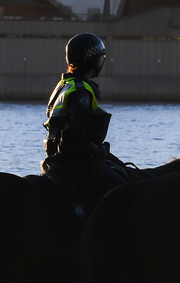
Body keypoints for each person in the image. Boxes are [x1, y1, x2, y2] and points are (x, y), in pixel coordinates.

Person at [42, 32, 129, 203]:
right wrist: (97, 153)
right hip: (76, 164)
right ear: (93, 60)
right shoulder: (82, 90)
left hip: (56, 158)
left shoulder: (63, 85)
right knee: (125, 192)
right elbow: (76, 135)